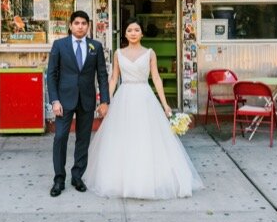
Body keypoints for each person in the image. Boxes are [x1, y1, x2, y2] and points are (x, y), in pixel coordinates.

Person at [84, 18, 204, 200]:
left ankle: (148, 179)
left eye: (136, 30)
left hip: (144, 96)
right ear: (125, 34)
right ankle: (122, 179)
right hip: (124, 97)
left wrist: (165, 105)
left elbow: (156, 78)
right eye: (130, 30)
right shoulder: (118, 53)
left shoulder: (150, 53)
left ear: (141, 33)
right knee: (123, 136)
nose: (133, 33)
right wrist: (105, 101)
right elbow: (114, 79)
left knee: (146, 136)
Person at [46, 10, 110, 197]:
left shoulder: (95, 47)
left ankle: (77, 176)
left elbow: (102, 75)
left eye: (84, 23)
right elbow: (52, 74)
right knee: (60, 138)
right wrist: (54, 100)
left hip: (87, 99)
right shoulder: (59, 45)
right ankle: (59, 179)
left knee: (83, 139)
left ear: (88, 26)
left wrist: (104, 100)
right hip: (63, 101)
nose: (80, 26)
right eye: (77, 23)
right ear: (70, 25)